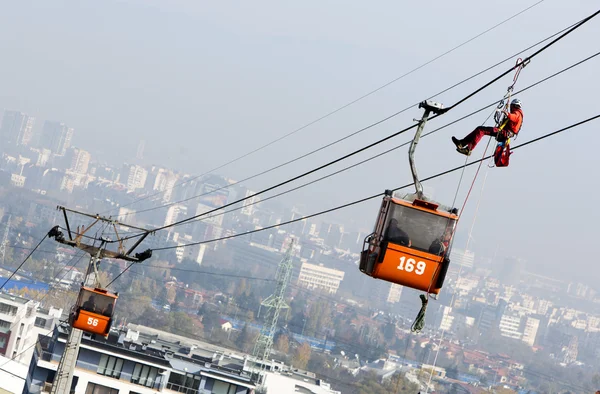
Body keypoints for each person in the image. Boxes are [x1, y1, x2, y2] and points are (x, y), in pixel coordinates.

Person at [452, 98, 523, 156]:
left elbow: (513, 117)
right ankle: (462, 143)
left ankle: (468, 149)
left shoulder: (517, 113)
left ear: (514, 106)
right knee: (479, 129)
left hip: (503, 133)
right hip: (503, 132)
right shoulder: (517, 113)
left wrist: (506, 113)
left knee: (481, 130)